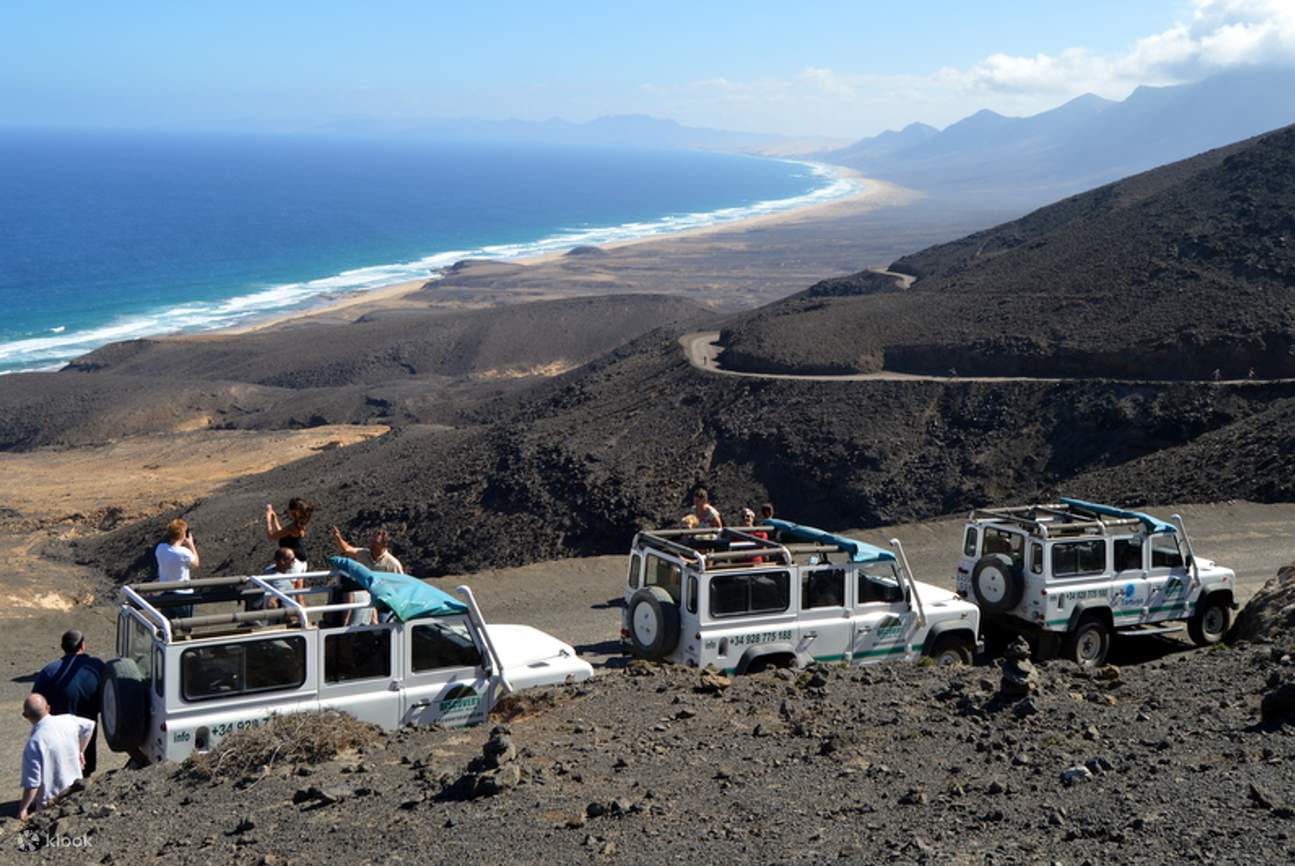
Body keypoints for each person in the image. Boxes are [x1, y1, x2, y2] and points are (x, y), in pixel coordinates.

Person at [31, 630, 103, 776]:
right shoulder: (97, 666)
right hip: (87, 730)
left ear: (62, 646)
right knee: (85, 770)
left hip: (59, 732)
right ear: (82, 645)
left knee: (60, 770)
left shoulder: (48, 671)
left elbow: (36, 702)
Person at [17, 694, 95, 820]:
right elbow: (89, 726)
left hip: (51, 803)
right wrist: (80, 751)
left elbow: (32, 784)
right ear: (48, 708)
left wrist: (23, 809)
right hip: (76, 793)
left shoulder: (34, 743)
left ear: (25, 716)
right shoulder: (68, 720)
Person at [329, 527, 403, 626]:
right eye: (371, 541)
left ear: (384, 545)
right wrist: (338, 538)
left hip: (383, 604)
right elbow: (347, 549)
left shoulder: (392, 564)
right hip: (365, 597)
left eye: (375, 543)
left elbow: (401, 586)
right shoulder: (363, 554)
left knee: (384, 627)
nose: (371, 545)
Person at [155, 518, 198, 621]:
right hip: (184, 594)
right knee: (186, 627)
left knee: (168, 627)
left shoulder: (160, 548)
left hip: (166, 593)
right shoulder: (184, 553)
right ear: (183, 534)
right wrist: (191, 544)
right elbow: (196, 563)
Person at [265, 498, 314, 572]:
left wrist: (268, 519)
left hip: (293, 563)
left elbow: (271, 536)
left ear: (293, 512)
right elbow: (281, 533)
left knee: (268, 572)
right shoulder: (298, 525)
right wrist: (274, 519)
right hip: (300, 562)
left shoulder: (292, 528)